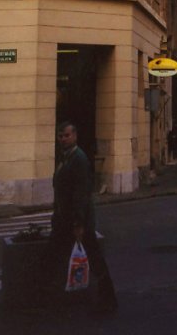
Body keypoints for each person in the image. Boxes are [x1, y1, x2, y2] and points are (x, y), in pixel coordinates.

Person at [46, 121, 117, 314]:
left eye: (66, 135)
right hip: (64, 219)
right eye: (60, 136)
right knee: (55, 256)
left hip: (77, 221)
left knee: (93, 258)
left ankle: (108, 299)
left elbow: (81, 194)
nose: (63, 139)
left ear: (75, 136)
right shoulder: (65, 158)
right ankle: (50, 298)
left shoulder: (78, 159)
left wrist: (79, 223)